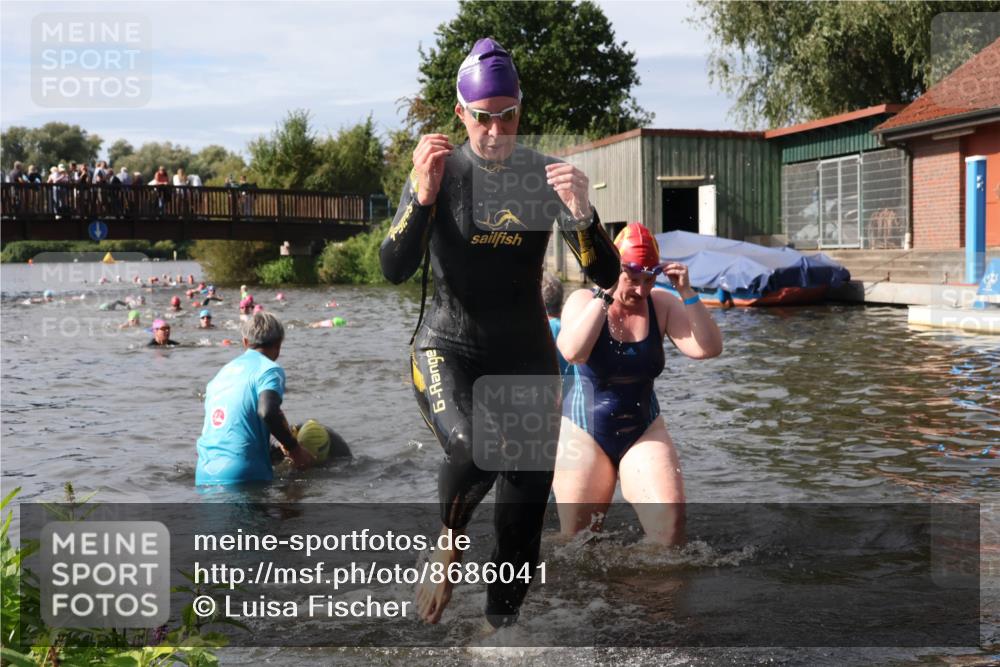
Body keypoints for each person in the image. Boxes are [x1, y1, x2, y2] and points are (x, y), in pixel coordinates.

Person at [379, 38, 621, 628]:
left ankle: (494, 638)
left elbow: (605, 274)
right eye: (482, 117)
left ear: (519, 109)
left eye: (506, 114)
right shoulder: (438, 170)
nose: (495, 129)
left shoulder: (544, 175)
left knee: (520, 539)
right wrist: (421, 197)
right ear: (461, 113)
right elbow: (392, 266)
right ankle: (448, 540)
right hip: (448, 347)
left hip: (526, 357)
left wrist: (584, 214)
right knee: (478, 447)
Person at [553, 223, 723, 545]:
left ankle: (651, 591)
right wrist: (604, 295)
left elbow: (708, 349)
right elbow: (573, 352)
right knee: (575, 543)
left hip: (644, 430)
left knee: (670, 533)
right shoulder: (582, 299)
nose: (641, 291)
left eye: (649, 279)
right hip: (583, 431)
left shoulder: (661, 303)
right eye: (632, 279)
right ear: (614, 271)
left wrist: (687, 293)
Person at [195, 312, 314, 485]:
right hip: (244, 474)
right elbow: (267, 411)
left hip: (204, 473)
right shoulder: (270, 369)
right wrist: (295, 450)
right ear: (279, 344)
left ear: (245, 342)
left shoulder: (222, 373)